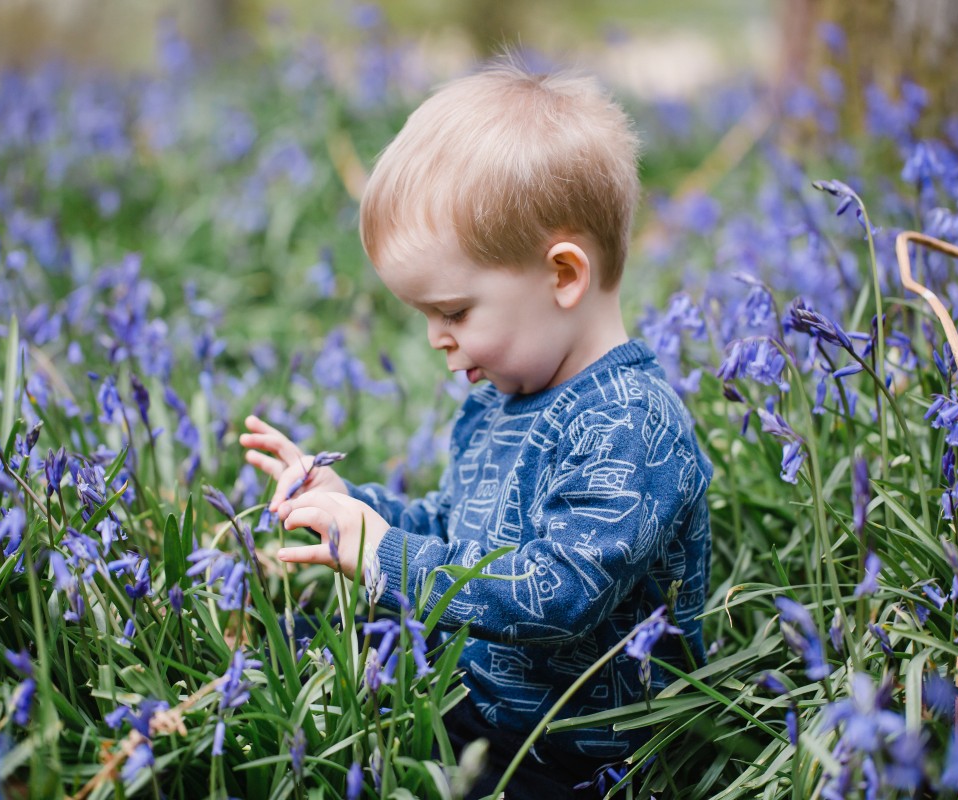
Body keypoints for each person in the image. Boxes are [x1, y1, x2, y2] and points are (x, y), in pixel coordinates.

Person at [240, 59, 712, 797]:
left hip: (575, 751)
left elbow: (557, 595)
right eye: (425, 316)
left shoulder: (630, 425)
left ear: (563, 276)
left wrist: (385, 555)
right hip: (477, 700)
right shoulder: (500, 400)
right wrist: (355, 507)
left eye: (453, 312)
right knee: (287, 662)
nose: (436, 338)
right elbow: (456, 530)